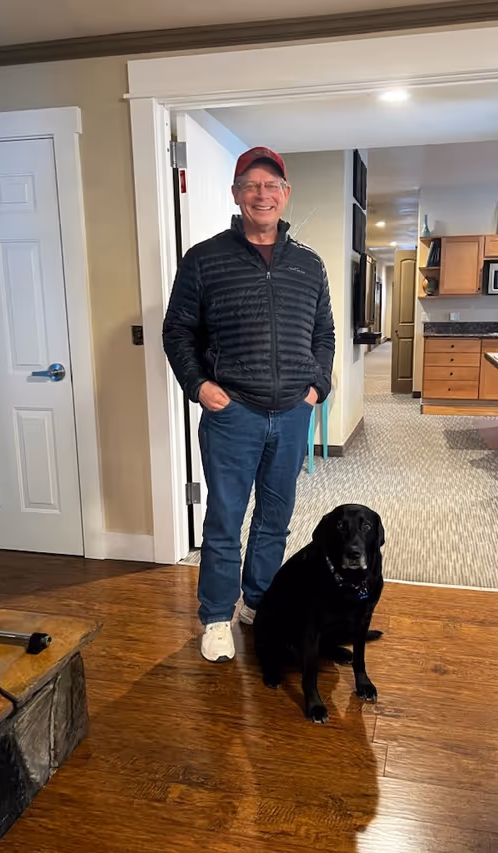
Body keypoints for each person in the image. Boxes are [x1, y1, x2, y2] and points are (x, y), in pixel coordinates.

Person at [163, 146, 335, 662]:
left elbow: (324, 332)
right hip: (232, 414)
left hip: (292, 413)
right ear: (237, 195)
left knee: (274, 519)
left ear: (285, 196)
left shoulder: (309, 264)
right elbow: (178, 330)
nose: (263, 194)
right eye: (251, 185)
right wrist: (199, 386)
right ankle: (217, 616)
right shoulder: (204, 258)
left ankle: (257, 602)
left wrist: (316, 387)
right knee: (224, 519)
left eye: (272, 186)